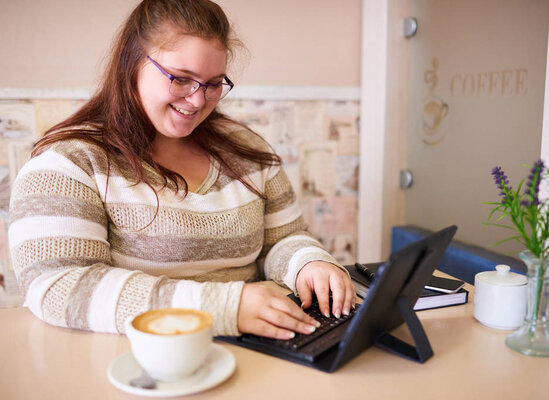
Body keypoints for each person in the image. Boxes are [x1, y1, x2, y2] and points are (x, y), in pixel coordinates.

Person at [8, 0, 355, 339]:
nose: (198, 100)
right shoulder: (70, 163)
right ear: (131, 64)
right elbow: (58, 285)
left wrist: (309, 263)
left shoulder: (246, 149)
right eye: (180, 78)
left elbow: (283, 238)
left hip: (254, 353)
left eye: (214, 84)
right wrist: (223, 308)